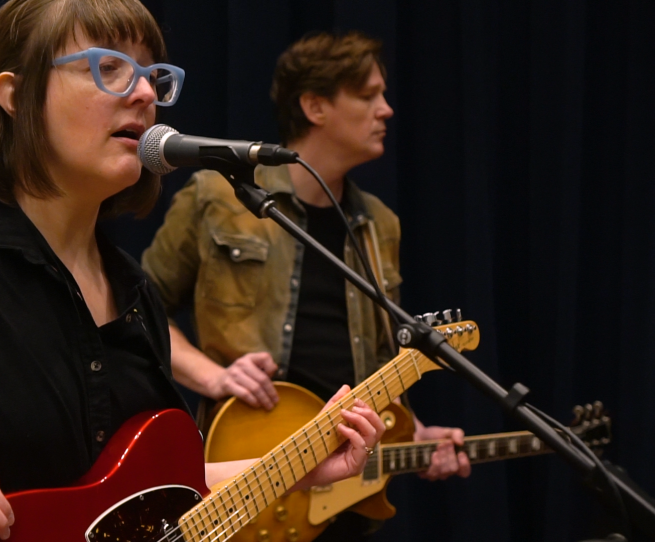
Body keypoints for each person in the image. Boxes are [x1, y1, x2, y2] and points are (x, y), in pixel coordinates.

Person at [0, 3, 386, 542]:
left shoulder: (135, 294)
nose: (144, 93)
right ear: (14, 94)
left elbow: (136, 497)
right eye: (109, 67)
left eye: (153, 75)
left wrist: (294, 466)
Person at [142, 31, 472, 540]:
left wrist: (414, 434)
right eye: (367, 95)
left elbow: (382, 354)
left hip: (350, 494)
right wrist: (212, 377)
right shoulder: (215, 197)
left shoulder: (380, 223)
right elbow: (142, 312)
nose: (386, 110)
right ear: (315, 106)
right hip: (250, 464)